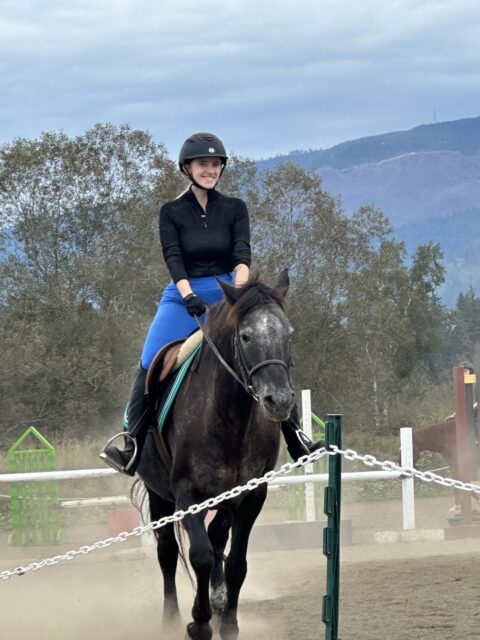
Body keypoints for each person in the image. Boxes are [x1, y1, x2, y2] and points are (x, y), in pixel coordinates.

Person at [100, 132, 321, 475]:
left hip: (229, 291)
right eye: (203, 164)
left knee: (266, 347)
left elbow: (241, 254)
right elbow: (173, 258)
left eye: (216, 164)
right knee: (148, 360)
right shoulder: (171, 212)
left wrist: (240, 295)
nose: (210, 170)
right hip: (183, 295)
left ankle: (296, 439)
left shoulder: (235, 208)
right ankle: (131, 443)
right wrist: (187, 294)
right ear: (187, 168)